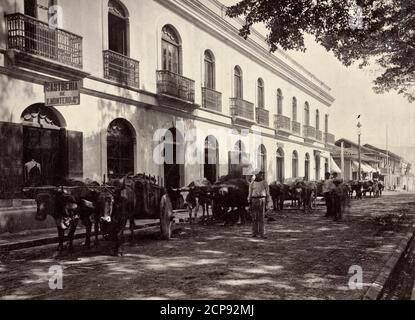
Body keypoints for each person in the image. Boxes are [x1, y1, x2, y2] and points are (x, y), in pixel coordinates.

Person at [248, 170, 272, 238]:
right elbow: (249, 193)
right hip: (254, 199)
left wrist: (268, 202)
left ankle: (262, 233)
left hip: (262, 199)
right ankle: (254, 233)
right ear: (256, 175)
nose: (260, 175)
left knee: (261, 217)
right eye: (259, 174)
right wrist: (249, 201)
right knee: (254, 217)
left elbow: (267, 192)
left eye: (261, 174)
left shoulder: (264, 182)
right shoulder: (252, 183)